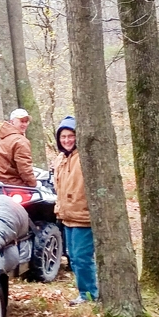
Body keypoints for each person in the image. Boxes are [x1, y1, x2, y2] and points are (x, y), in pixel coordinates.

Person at [54, 116, 98, 305]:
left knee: (82, 258)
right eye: (63, 137)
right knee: (73, 257)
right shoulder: (61, 159)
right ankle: (84, 292)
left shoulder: (86, 157)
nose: (67, 140)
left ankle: (89, 295)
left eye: (71, 136)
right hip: (67, 216)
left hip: (83, 216)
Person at [0, 107, 37, 187]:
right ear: (12, 121)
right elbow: (24, 168)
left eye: (26, 121)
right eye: (21, 121)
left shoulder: (0, 137)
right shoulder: (20, 141)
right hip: (12, 184)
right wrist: (33, 184)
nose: (24, 124)